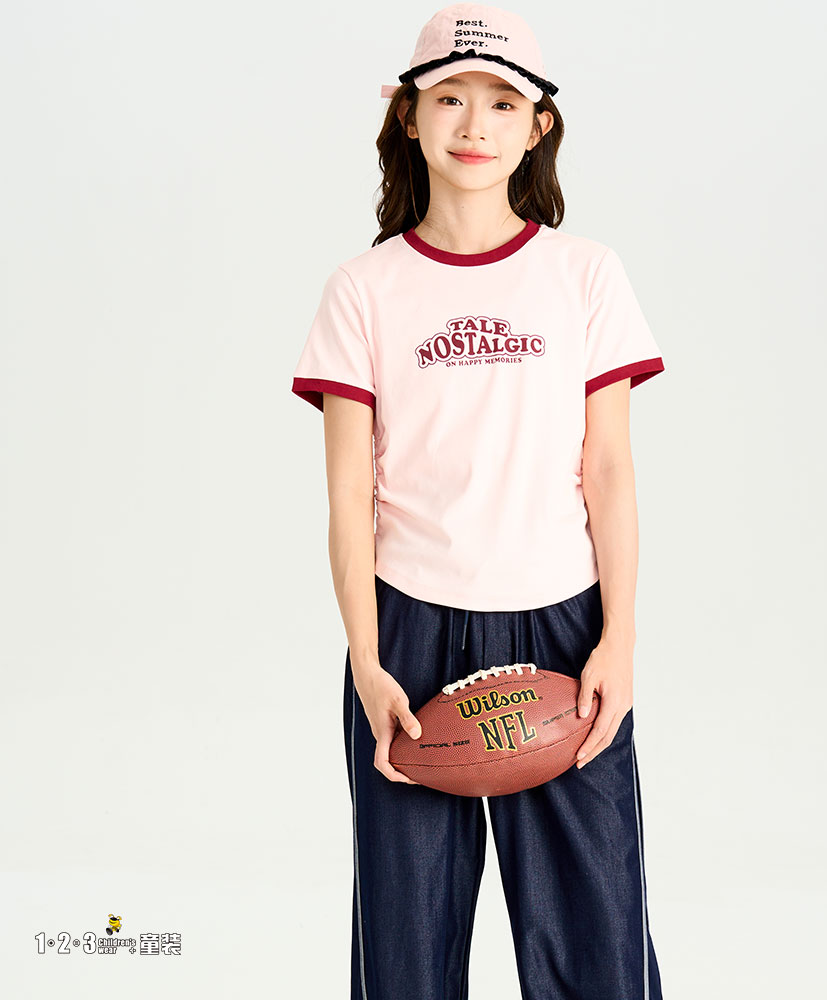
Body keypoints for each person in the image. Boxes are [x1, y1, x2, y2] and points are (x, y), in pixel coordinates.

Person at [290, 4, 666, 997]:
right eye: (449, 97)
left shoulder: (585, 275)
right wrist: (367, 660)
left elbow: (610, 470)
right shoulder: (362, 290)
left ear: (538, 126)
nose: (473, 124)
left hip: (563, 627)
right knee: (405, 952)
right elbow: (348, 494)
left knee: (600, 940)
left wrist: (619, 641)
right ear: (408, 116)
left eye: (502, 103)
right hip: (409, 633)